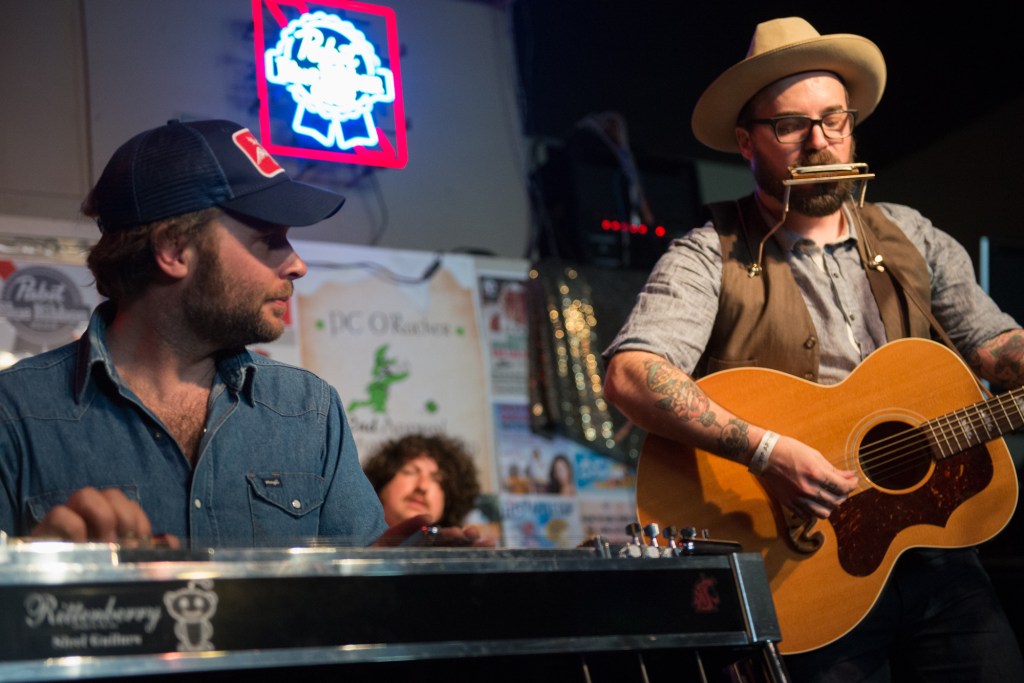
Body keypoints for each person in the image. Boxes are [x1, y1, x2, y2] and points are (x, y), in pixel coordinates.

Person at [602, 17, 1024, 682]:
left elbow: (995, 344)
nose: (820, 143)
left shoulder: (912, 235)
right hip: (801, 559)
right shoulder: (709, 251)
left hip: (937, 543)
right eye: (791, 126)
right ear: (747, 141)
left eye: (835, 121)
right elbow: (633, 372)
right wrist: (763, 450)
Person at [0, 118, 464, 550]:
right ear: (175, 249)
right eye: (269, 239)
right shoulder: (16, 413)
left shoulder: (309, 410)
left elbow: (359, 603)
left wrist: (394, 575)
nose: (297, 264)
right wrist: (38, 573)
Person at [363, 433, 482, 529]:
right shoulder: (350, 543)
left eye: (437, 479)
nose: (422, 486)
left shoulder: (457, 557)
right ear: (382, 481)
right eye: (410, 472)